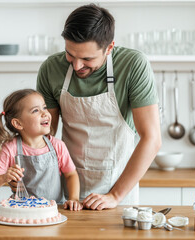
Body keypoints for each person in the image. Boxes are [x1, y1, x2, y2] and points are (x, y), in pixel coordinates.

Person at [36, 4, 161, 210]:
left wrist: (114, 196)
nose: (76, 66)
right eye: (70, 54)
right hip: (66, 194)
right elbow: (42, 136)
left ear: (109, 48)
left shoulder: (133, 65)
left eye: (87, 58)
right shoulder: (51, 68)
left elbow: (152, 138)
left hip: (118, 192)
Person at [0, 89, 82, 211]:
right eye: (36, 110)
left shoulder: (57, 145)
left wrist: (74, 199)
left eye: (44, 108)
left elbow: (71, 174)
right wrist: (3, 178)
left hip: (54, 211)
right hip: (22, 211)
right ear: (18, 123)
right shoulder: (10, 148)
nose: (45, 113)